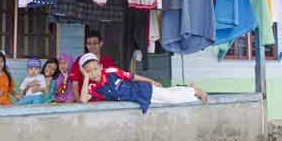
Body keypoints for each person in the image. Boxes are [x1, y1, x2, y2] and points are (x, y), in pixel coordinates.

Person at [78, 53, 208, 113]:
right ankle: (188, 88)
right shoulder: (92, 87)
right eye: (89, 72)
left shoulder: (111, 71)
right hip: (139, 99)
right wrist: (85, 77)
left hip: (143, 90)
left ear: (101, 66)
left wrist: (152, 81)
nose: (94, 73)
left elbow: (133, 77)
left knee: (172, 98)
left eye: (95, 69)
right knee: (169, 96)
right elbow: (83, 100)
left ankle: (194, 90)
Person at [70, 31, 116, 101]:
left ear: (101, 44)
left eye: (95, 43)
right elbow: (74, 85)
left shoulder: (108, 61)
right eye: (89, 44)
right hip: (85, 102)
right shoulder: (80, 61)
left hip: (106, 102)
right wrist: (79, 103)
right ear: (86, 45)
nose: (92, 46)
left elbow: (115, 81)